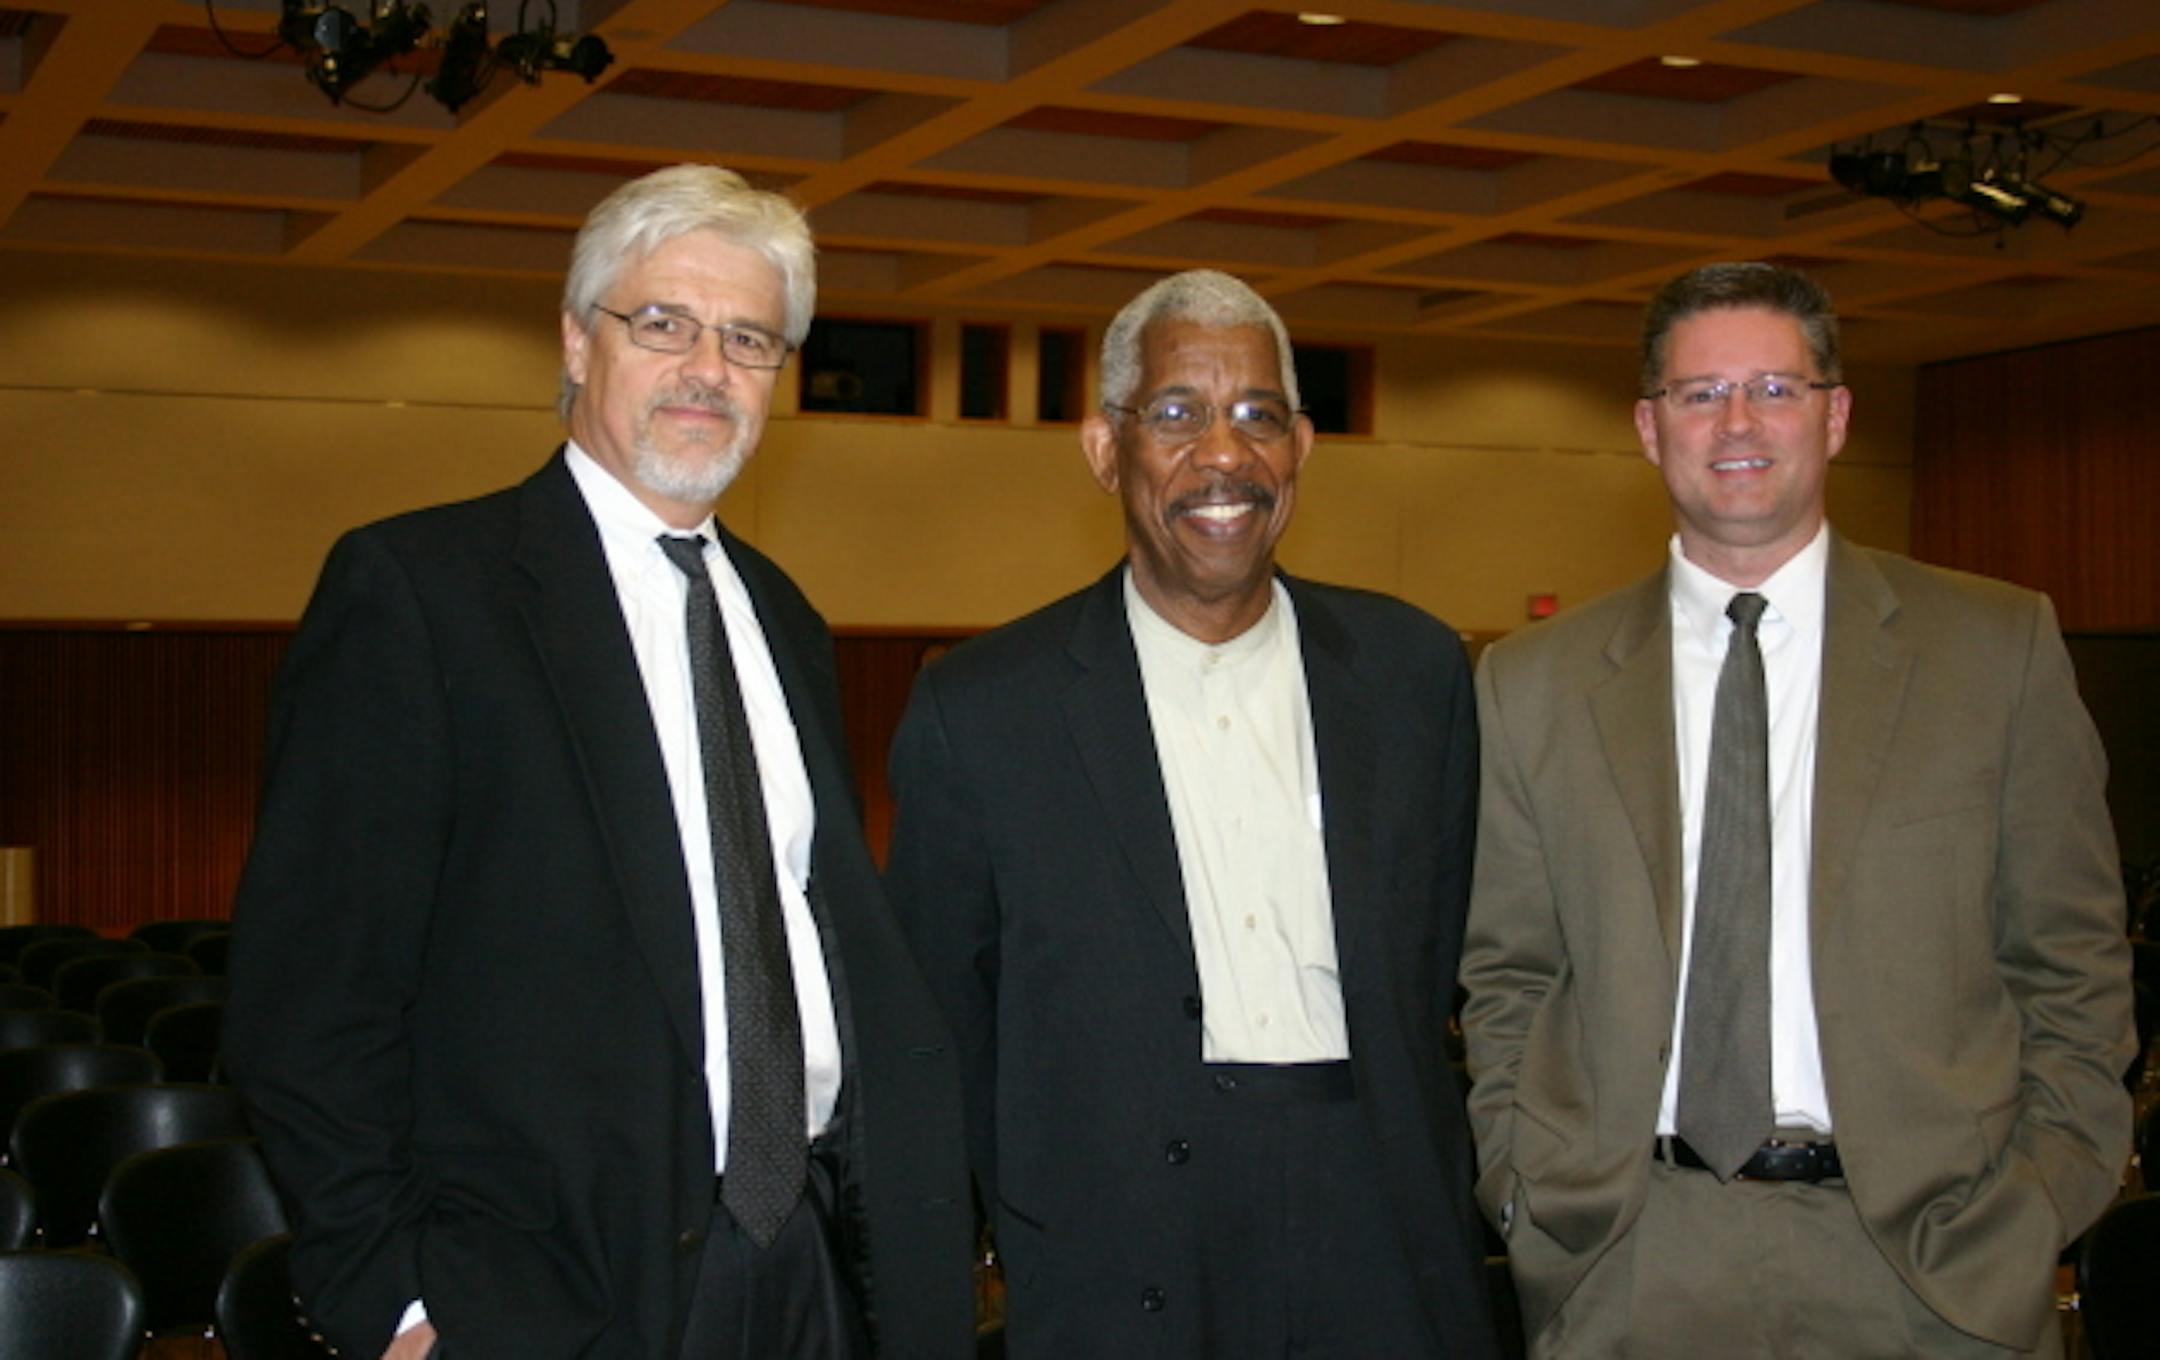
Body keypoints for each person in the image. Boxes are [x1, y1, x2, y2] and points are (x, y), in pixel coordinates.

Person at [224, 165, 974, 1360]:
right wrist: (400, 1300)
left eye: (748, 340)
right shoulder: (424, 593)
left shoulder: (782, 616)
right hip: (550, 1290)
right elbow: (307, 999)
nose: (706, 371)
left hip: (808, 1260)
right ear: (577, 343)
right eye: (664, 323)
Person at [1460, 261, 2133, 1359]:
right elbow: (1509, 978)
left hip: (1931, 1263)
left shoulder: (1993, 650)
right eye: (1699, 393)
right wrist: (1529, 1188)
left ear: (1836, 415)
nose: (1738, 422)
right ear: (1647, 424)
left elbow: (2073, 966)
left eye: (1776, 389)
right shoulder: (1535, 682)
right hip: (1633, 1258)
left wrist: (2032, 1208)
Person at [884, 269, 1499, 1358]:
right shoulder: (983, 708)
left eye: (1259, 416)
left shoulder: (1413, 675)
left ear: (1302, 446)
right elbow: (942, 1028)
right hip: (1116, 1258)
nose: (1225, 454)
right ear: (1104, 448)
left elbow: (1456, 957)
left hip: (1386, 1239)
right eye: (1176, 415)